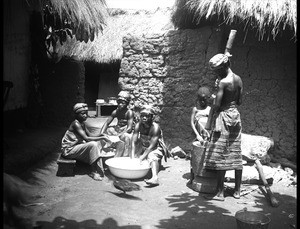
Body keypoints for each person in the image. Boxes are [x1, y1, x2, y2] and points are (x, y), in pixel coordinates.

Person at [203, 53, 243, 201]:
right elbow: (239, 101)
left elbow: (217, 105)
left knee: (221, 153)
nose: (216, 74)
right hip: (235, 117)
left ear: (225, 66)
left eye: (218, 71)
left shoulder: (223, 82)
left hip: (224, 118)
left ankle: (220, 192)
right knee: (235, 151)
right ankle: (237, 190)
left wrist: (214, 98)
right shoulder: (238, 79)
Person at [61, 103, 111, 181]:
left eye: (86, 113)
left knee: (99, 142)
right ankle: (93, 172)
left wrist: (101, 135)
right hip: (68, 150)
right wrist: (102, 137)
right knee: (93, 145)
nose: (85, 115)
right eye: (82, 114)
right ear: (76, 114)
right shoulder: (76, 124)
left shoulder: (82, 123)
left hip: (76, 147)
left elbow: (90, 135)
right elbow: (87, 138)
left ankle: (98, 163)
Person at [131, 105, 169, 186]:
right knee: (133, 157)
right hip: (143, 146)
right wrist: (132, 156)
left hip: (155, 148)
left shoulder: (155, 127)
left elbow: (151, 146)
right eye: (142, 116)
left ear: (151, 117)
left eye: (147, 116)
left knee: (151, 157)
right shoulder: (138, 125)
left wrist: (142, 157)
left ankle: (155, 178)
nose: (144, 118)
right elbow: (133, 142)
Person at [187, 86, 212, 185]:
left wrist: (208, 132)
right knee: (194, 155)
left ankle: (204, 175)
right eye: (200, 100)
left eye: (204, 100)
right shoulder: (195, 109)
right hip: (197, 135)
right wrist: (197, 135)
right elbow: (192, 123)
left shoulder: (210, 109)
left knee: (205, 156)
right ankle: (192, 176)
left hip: (207, 135)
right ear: (197, 99)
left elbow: (211, 122)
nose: (202, 102)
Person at [100, 91, 134, 157]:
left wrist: (119, 135)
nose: (120, 105)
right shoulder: (115, 111)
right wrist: (101, 132)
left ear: (127, 104)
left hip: (125, 130)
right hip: (118, 129)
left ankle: (124, 154)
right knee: (109, 130)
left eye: (123, 103)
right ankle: (110, 147)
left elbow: (129, 128)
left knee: (126, 137)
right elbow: (107, 123)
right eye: (119, 103)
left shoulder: (129, 112)